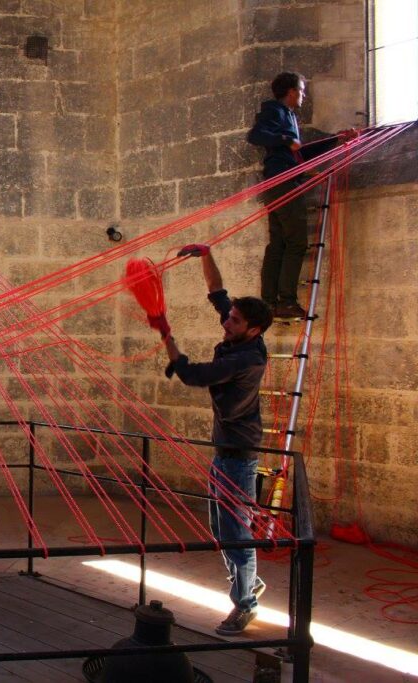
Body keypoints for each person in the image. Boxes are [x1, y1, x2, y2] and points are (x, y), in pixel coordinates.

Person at [147, 244, 273, 636]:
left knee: (235, 534)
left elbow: (193, 375)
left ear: (253, 330)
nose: (226, 322)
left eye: (234, 320)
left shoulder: (245, 359)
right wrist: (205, 254)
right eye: (229, 317)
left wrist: (165, 332)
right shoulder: (241, 336)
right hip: (225, 450)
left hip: (238, 454)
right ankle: (249, 583)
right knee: (222, 531)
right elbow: (218, 292)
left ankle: (245, 604)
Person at [247, 71, 355, 319]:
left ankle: (268, 304)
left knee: (278, 243)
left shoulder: (289, 116)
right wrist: (286, 139)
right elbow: (255, 136)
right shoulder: (275, 110)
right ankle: (286, 301)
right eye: (302, 91)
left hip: (280, 181)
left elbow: (300, 154)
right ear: (292, 91)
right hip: (283, 182)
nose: (304, 96)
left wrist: (336, 139)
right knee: (296, 242)